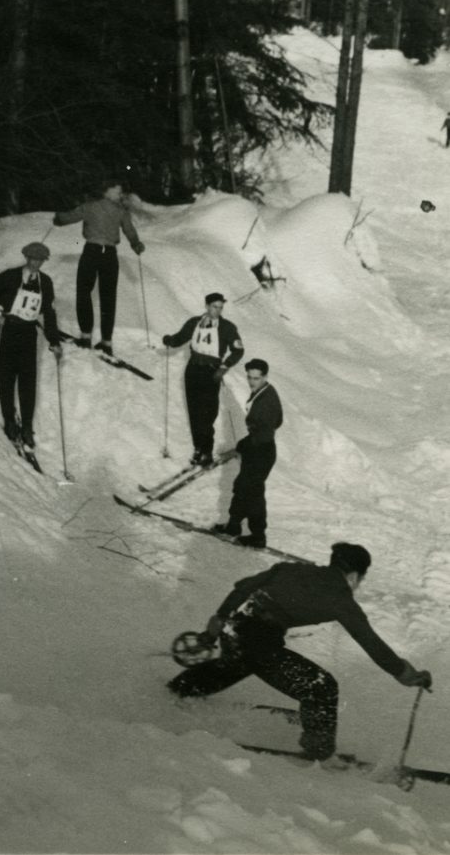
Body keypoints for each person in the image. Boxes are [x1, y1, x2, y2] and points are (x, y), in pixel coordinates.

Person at [168, 541, 433, 764]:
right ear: (354, 576)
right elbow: (371, 643)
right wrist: (406, 674)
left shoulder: (291, 569)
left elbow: (243, 586)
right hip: (259, 640)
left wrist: (218, 621)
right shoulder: (340, 600)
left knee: (239, 662)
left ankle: (176, 691)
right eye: (360, 579)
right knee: (321, 687)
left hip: (236, 629)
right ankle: (319, 753)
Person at [0, 242, 62, 455]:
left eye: (41, 260)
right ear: (26, 258)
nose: (36, 264)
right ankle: (9, 420)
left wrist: (54, 341)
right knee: (6, 377)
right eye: (33, 259)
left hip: (27, 334)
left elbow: (49, 313)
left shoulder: (45, 282)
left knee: (27, 380)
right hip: (6, 331)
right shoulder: (9, 276)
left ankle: (26, 427)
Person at [52, 180, 145, 354]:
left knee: (83, 292)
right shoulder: (121, 211)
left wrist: (58, 219)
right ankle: (106, 342)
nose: (120, 195)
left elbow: (69, 217)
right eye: (117, 192)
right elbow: (129, 230)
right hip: (110, 255)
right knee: (108, 298)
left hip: (92, 252)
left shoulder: (90, 207)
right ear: (107, 192)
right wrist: (136, 244)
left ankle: (86, 337)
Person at [163, 293, 244, 466]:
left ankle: (207, 451)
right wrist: (169, 340)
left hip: (211, 372)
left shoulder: (227, 327)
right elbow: (180, 338)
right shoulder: (194, 323)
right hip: (193, 370)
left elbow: (238, 351)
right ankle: (198, 448)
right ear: (207, 306)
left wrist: (224, 367)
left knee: (207, 412)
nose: (218, 310)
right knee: (194, 410)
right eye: (214, 306)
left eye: (220, 307)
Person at [213, 358, 282, 547]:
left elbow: (267, 430)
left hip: (261, 451)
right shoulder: (264, 392)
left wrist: (247, 443)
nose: (252, 381)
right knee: (247, 489)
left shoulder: (267, 400)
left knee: (249, 491)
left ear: (265, 377)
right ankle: (238, 527)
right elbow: (276, 422)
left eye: (256, 378)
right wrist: (248, 442)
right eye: (250, 377)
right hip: (259, 449)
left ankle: (253, 534)